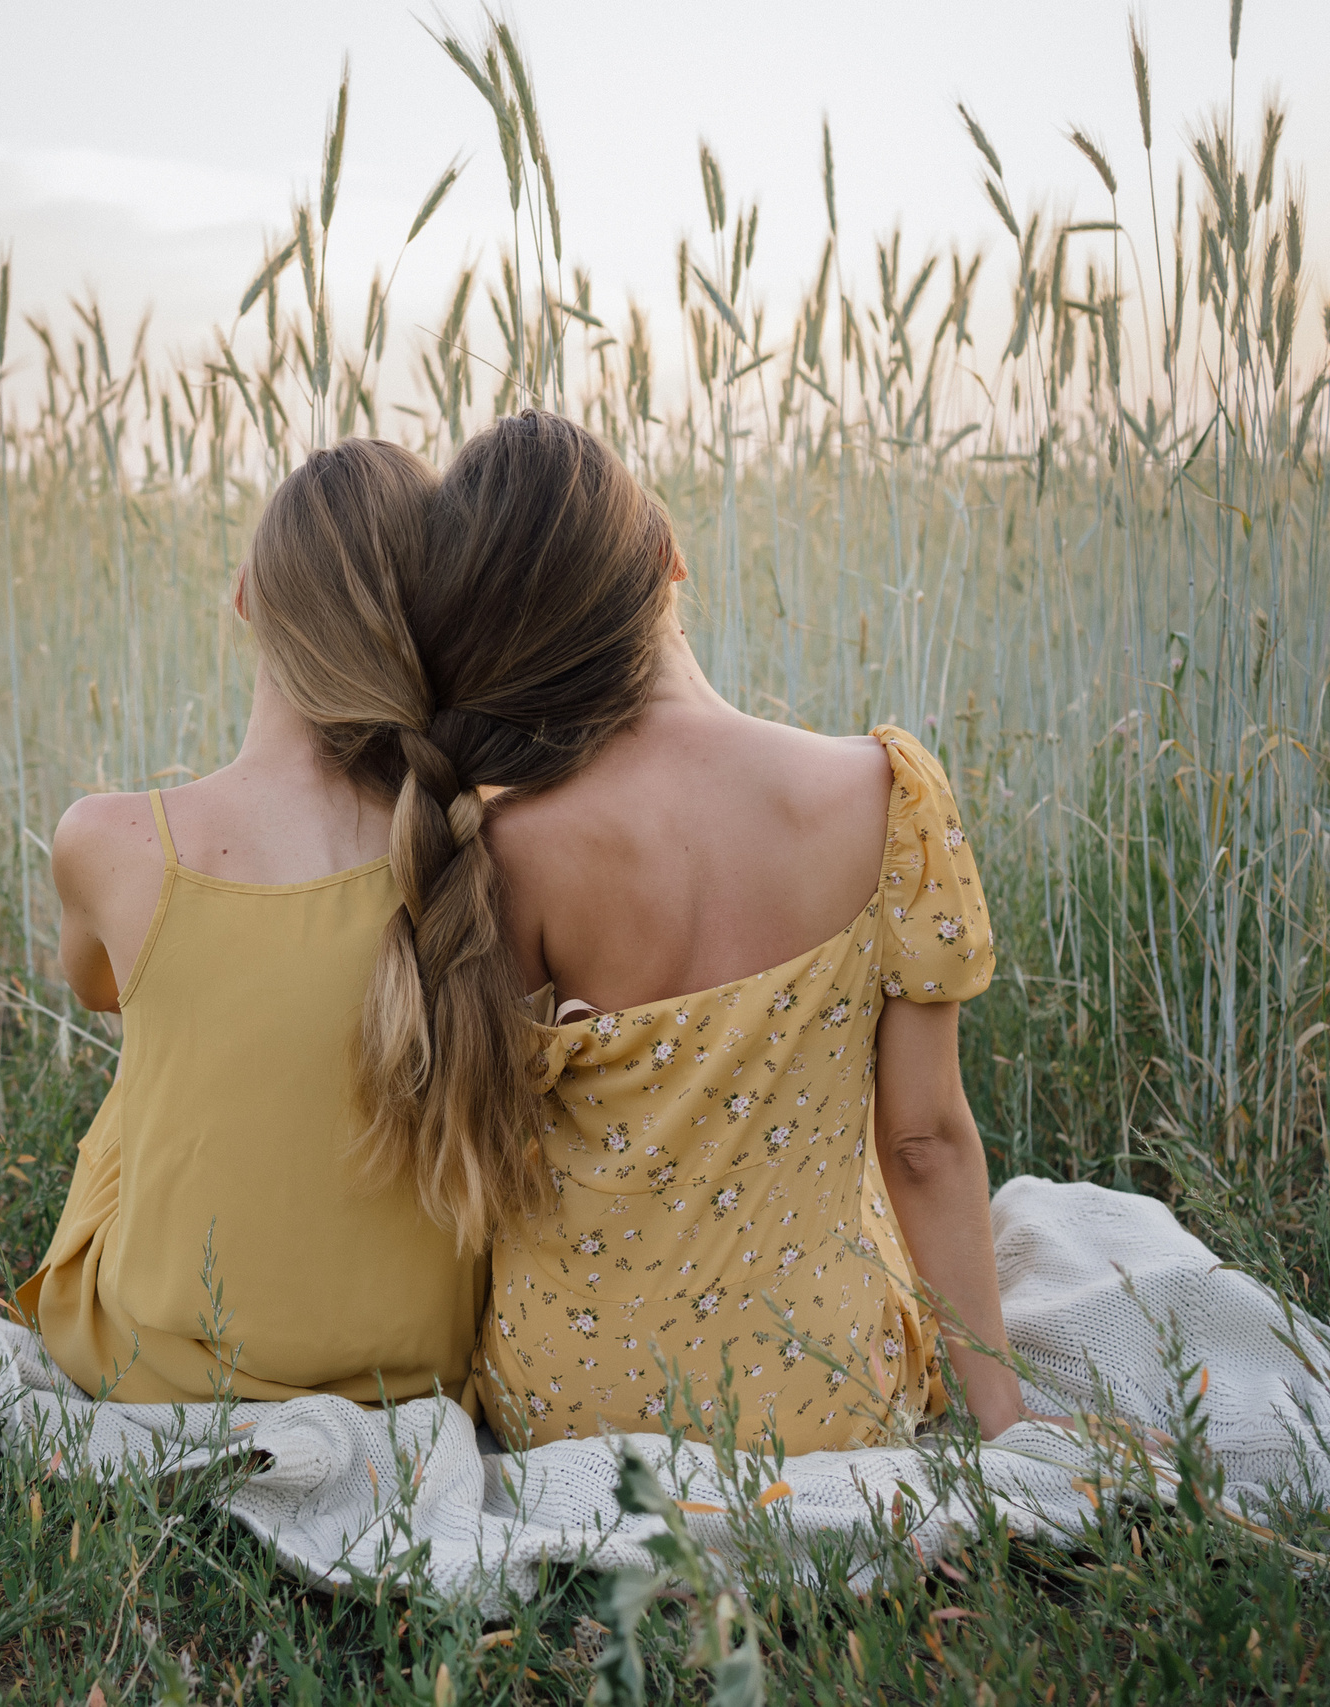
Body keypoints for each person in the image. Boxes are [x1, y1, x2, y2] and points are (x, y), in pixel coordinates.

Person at [363, 410, 1021, 1454]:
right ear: (669, 556)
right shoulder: (883, 793)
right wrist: (1008, 1422)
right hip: (821, 1394)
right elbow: (922, 1143)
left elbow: (482, 1147)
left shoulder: (501, 848)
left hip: (565, 1402)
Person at [16, 438, 487, 1411]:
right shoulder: (481, 849)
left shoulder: (108, 841)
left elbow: (98, 991)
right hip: (423, 1373)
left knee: (156, 1047)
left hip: (160, 1371)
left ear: (245, 599)